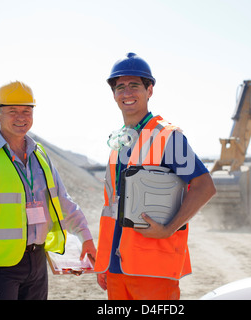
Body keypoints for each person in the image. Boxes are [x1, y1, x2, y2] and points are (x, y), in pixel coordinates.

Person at [94, 52, 216, 300]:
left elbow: (205, 186)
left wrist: (169, 229)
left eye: (134, 86)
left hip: (153, 269)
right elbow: (113, 206)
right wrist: (104, 262)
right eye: (120, 87)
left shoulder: (167, 137)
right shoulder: (119, 141)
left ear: (149, 90)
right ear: (114, 94)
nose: (127, 93)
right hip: (116, 267)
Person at [0, 80, 96, 300]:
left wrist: (85, 236)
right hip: (0, 266)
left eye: (26, 111)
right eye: (12, 111)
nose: (21, 117)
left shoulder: (40, 154)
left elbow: (61, 200)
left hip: (37, 261)